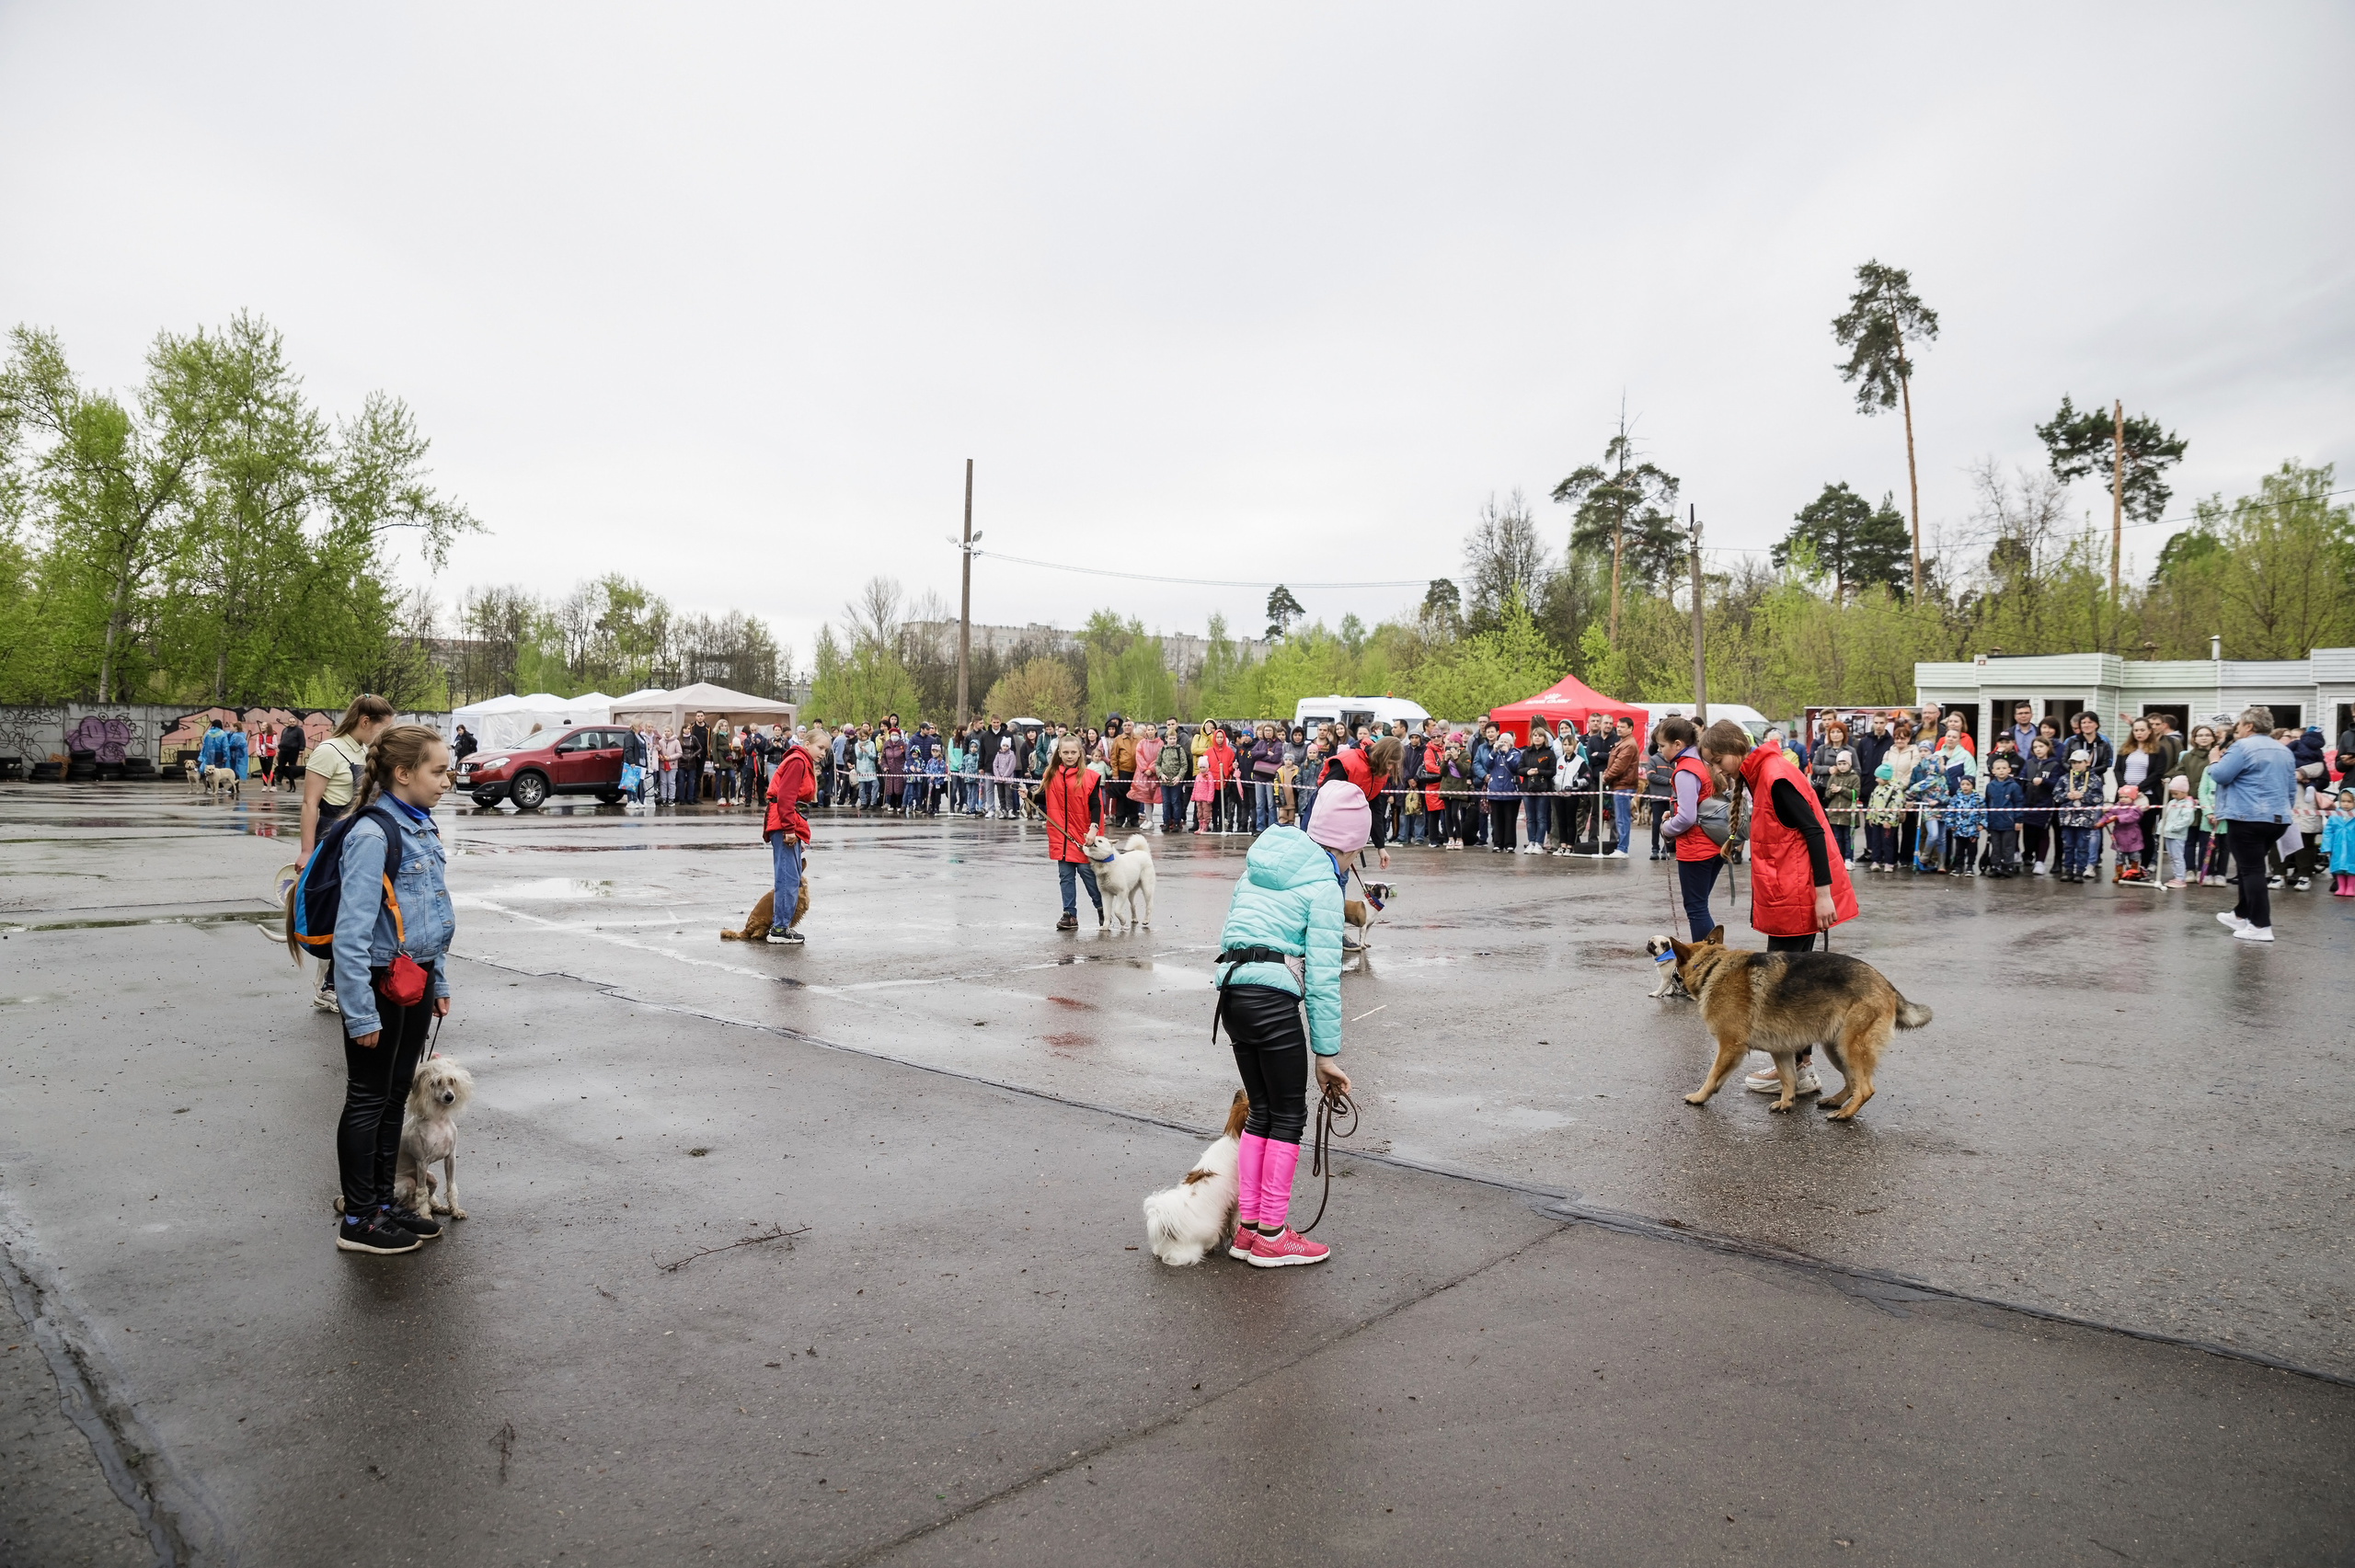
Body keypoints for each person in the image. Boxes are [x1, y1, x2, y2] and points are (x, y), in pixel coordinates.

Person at [1211, 777, 1355, 1269]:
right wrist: (1326, 1055)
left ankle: (1249, 1230)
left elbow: (1232, 931)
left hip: (1232, 992)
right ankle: (1273, 1234)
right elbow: (1324, 977)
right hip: (1272, 998)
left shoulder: (1257, 866)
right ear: (1346, 845)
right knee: (1289, 1115)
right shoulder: (1324, 884)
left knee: (1262, 1111)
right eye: (1355, 853)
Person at [328, 725, 455, 1256]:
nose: (447, 781)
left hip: (415, 978)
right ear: (403, 773)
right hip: (380, 982)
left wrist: (438, 978)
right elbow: (351, 934)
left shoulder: (421, 825)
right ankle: (358, 1220)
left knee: (394, 1096)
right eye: (438, 771)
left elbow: (432, 912)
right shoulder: (372, 835)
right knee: (368, 1098)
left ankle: (383, 1203)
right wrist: (360, 1013)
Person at [1697, 719, 1856, 1098]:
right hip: (1787, 895)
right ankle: (1802, 1066)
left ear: (1737, 748)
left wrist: (1823, 895)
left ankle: (1800, 1069)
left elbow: (1814, 831)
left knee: (1785, 989)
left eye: (1719, 760)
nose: (1718, 769)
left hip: (1798, 897)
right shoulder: (1763, 773)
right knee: (1793, 986)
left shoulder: (1774, 776)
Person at [301, 695, 396, 1012]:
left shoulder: (365, 751)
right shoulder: (328, 751)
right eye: (383, 728)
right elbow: (310, 804)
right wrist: (306, 851)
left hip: (360, 841)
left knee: (358, 915)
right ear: (365, 721)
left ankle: (340, 984)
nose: (386, 734)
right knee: (339, 916)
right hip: (332, 843)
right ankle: (328, 987)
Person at [2206, 706, 2294, 941]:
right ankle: (2240, 914)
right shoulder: (2284, 750)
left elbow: (2221, 775)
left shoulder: (2242, 747)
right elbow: (2291, 788)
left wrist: (2214, 761)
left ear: (2249, 726)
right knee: (2249, 867)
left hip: (2247, 816)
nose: (2238, 729)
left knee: (2252, 870)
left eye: (2240, 725)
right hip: (2277, 818)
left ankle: (2261, 925)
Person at [1656, 717, 1725, 935]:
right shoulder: (1703, 763)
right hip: (1714, 844)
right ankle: (1711, 953)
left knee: (1696, 908)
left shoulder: (1685, 770)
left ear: (1677, 744)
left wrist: (1667, 828)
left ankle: (1705, 955)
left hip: (1696, 848)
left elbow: (1687, 817)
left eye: (1662, 745)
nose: (1659, 750)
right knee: (1700, 905)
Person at [1040, 736, 1105, 930]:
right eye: (1066, 752)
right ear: (1059, 753)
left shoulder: (1090, 777)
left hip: (1083, 835)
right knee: (1065, 876)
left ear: (1080, 754)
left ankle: (1102, 908)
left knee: (1087, 874)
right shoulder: (1050, 774)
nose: (1069, 756)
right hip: (1061, 834)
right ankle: (1069, 915)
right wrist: (1030, 795)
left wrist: (1093, 829)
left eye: (1073, 752)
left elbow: (1096, 805)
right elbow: (1045, 796)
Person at [760, 727, 816, 946]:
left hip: (786, 822)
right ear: (807, 744)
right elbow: (785, 798)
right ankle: (779, 929)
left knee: (791, 877)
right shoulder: (798, 761)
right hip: (784, 823)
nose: (823, 753)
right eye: (820, 747)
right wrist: (790, 830)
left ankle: (781, 926)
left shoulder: (801, 761)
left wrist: (796, 832)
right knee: (787, 878)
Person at [2055, 748, 2107, 884]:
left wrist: (2083, 796)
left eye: (2079, 762)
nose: (2076, 765)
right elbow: (2056, 796)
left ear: (2087, 762)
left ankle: (2079, 871)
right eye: (2073, 762)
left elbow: (2098, 798)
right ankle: (2068, 871)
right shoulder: (2065, 779)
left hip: (2085, 819)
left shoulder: (2094, 779)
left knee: (2082, 846)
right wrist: (2067, 795)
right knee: (2068, 846)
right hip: (2067, 818)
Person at [2018, 736, 2062, 874]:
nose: (2038, 749)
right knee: (2028, 833)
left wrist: (2044, 781)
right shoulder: (2029, 763)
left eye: (2041, 746)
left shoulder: (2054, 765)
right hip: (2029, 803)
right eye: (2035, 747)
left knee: (2042, 833)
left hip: (2045, 804)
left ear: (2048, 747)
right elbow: (2022, 780)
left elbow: (2057, 783)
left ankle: (2040, 862)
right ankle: (2028, 856)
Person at [1603, 716, 1640, 858]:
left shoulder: (1628, 745)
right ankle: (1621, 847)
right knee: (1620, 817)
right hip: (1620, 784)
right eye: (1618, 726)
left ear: (1630, 729)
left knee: (1622, 818)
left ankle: (1623, 849)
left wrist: (1605, 777)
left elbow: (1619, 766)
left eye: (1622, 727)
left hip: (1623, 785)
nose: (1618, 729)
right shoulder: (1624, 743)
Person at [1982, 755, 2024, 877]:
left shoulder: (2014, 786)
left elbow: (2019, 803)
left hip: (2008, 822)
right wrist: (1986, 820)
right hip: (1994, 822)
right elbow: (1987, 803)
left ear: (2009, 770)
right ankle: (1995, 866)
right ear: (1993, 771)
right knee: (1995, 846)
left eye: (2004, 768)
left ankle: (2008, 866)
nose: (2001, 771)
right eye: (1998, 768)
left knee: (2008, 846)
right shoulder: (1990, 786)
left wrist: (2018, 820)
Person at [2158, 775, 2199, 888]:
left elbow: (2187, 819)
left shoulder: (2188, 804)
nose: (2173, 796)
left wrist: (2173, 827)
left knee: (2177, 856)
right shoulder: (2172, 802)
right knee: (2171, 856)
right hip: (2168, 833)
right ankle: (2177, 876)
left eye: (2176, 793)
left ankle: (2180, 878)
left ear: (2184, 791)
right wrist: (2161, 828)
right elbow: (2165, 816)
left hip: (2177, 835)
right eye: (2172, 793)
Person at [1863, 763, 1903, 872]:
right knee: (1875, 841)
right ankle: (1875, 861)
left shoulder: (1895, 790)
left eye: (1878, 777)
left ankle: (1889, 862)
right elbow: (1871, 803)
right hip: (1876, 820)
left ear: (1885, 777)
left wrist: (1889, 821)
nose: (1876, 780)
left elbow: (1896, 806)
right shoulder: (1877, 789)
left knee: (1887, 842)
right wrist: (1870, 816)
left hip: (1888, 822)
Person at [1943, 771, 1984, 876]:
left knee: (1972, 849)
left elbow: (1984, 812)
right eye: (1963, 784)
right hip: (1959, 830)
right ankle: (1958, 866)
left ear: (1972, 786)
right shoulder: (1955, 798)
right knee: (1959, 850)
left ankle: (1970, 866)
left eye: (1968, 784)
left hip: (1973, 830)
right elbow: (1950, 812)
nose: (1965, 786)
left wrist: (1982, 824)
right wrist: (1951, 824)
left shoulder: (1978, 799)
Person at [2323, 788, 2355, 898]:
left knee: (2352, 868)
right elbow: (2328, 832)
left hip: (2352, 848)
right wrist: (2327, 847)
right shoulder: (2335, 816)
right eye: (2343, 801)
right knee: (2339, 868)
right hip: (2338, 847)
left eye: (2349, 801)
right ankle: (2341, 887)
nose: (2346, 804)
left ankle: (2350, 888)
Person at [278, 718, 307, 790]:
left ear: (296, 722)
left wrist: (301, 749)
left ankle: (291, 779)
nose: (292, 723)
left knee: (292, 766)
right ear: (288, 722)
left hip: (293, 751)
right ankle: (278, 779)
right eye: (290, 722)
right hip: (283, 750)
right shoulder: (285, 729)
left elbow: (302, 740)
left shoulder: (299, 730)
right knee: (280, 765)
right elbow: (282, 739)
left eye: (293, 722)